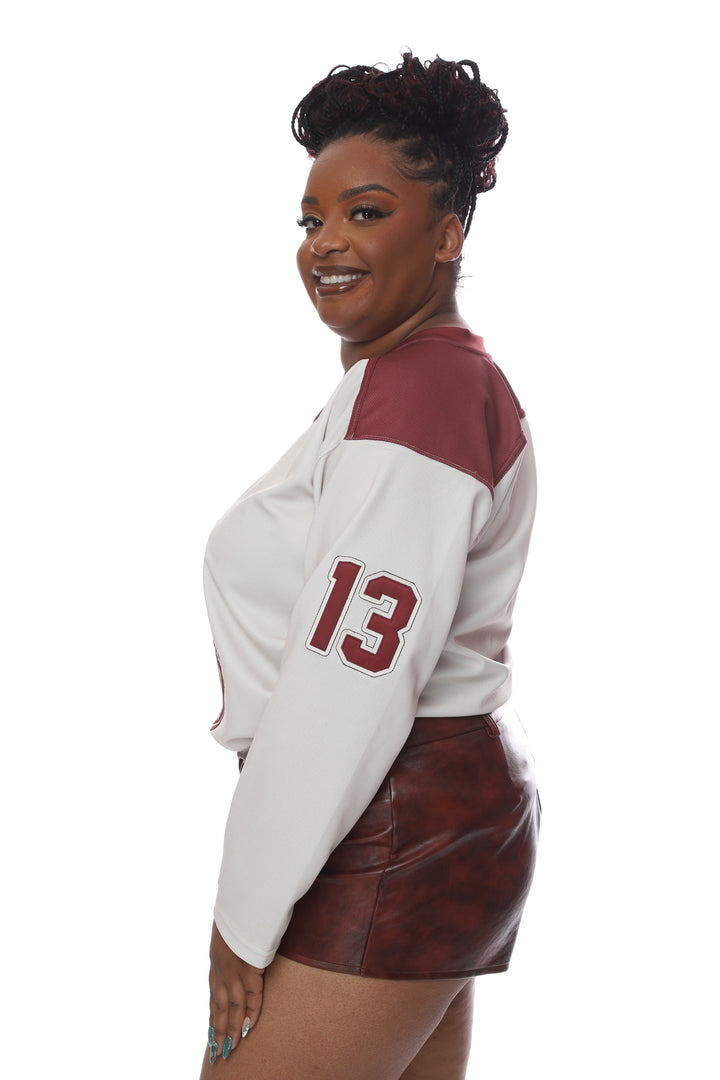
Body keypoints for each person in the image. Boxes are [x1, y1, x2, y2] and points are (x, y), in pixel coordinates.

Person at [199, 53, 540, 1080]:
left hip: (390, 822)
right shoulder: (410, 383)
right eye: (312, 219)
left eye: (366, 211)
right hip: (415, 814)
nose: (327, 242)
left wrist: (242, 913)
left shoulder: (423, 393)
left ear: (447, 235)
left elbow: (347, 685)